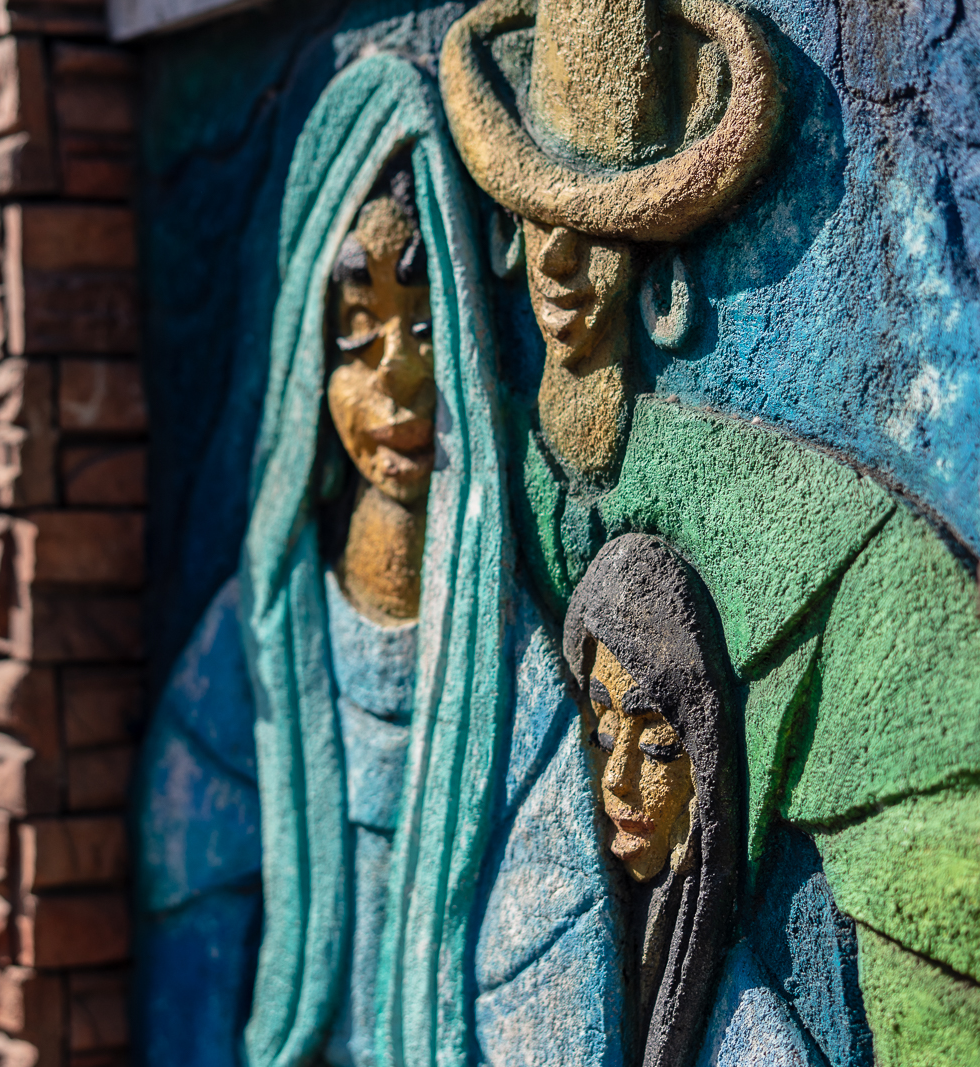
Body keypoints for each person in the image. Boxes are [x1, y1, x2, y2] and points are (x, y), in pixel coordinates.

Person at [137, 52, 626, 1067]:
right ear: (307, 367)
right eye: (358, 338)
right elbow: (185, 911)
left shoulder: (511, 678)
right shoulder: (257, 644)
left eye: (423, 325)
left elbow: (554, 973)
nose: (398, 378)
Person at [564, 533, 741, 1067]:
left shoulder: (749, 1018)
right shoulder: (567, 936)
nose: (617, 779)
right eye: (605, 731)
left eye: (659, 746)